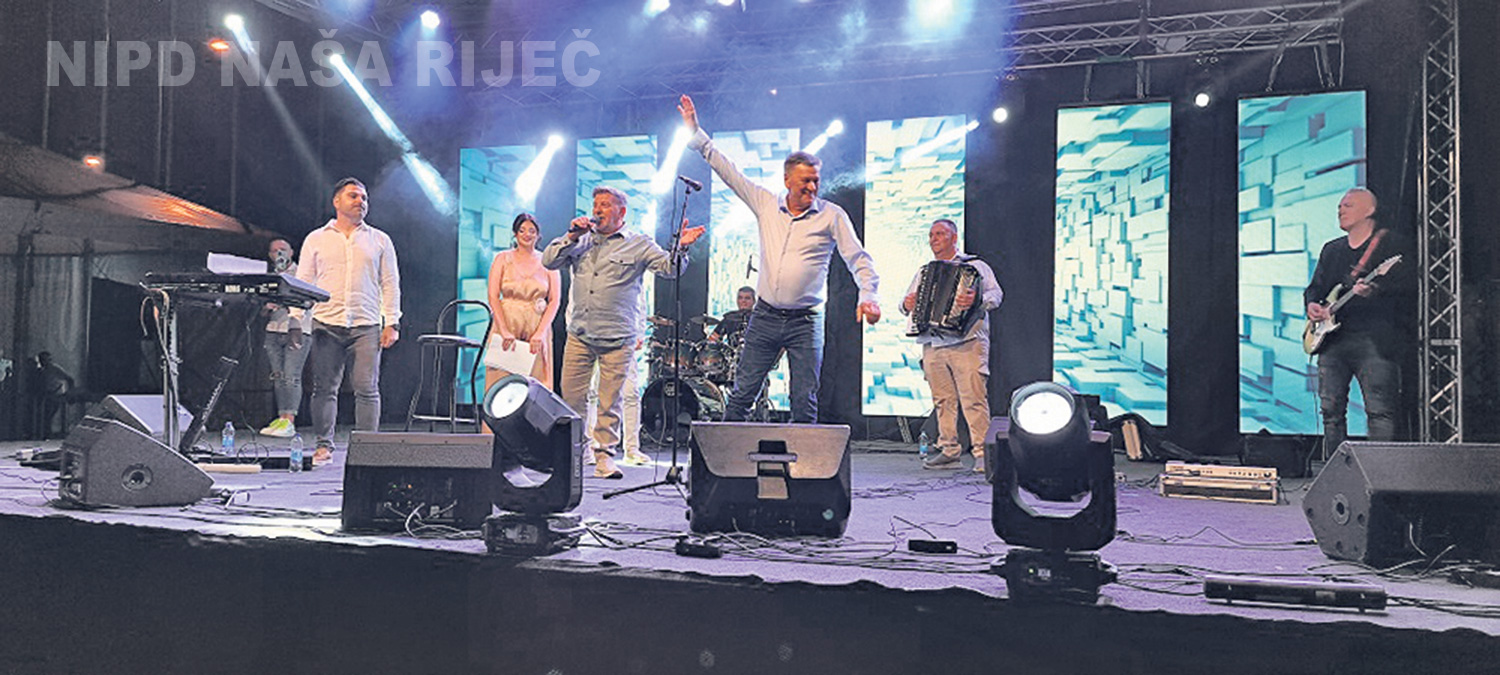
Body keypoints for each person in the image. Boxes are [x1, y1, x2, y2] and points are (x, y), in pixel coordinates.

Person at [678, 94, 881, 424]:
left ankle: (803, 459)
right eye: (805, 181)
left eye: (816, 180)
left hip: (806, 321)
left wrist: (869, 296)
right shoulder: (766, 204)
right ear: (787, 181)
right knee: (743, 393)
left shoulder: (832, 216)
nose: (812, 187)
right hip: (765, 317)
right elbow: (731, 173)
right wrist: (698, 136)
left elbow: (859, 258)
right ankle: (728, 455)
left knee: (804, 398)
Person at [543, 186, 703, 478]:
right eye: (596, 204)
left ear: (621, 212)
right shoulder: (581, 240)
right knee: (572, 399)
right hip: (580, 334)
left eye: (605, 204)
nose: (598, 209)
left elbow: (670, 268)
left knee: (610, 401)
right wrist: (571, 235)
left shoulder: (638, 243)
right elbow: (549, 260)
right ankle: (578, 453)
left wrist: (681, 247)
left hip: (618, 337)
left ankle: (605, 457)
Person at [291, 177, 402, 464]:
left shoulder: (380, 239)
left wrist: (392, 322)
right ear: (337, 201)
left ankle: (367, 449)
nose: (360, 201)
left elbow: (390, 283)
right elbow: (303, 282)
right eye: (353, 196)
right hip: (326, 323)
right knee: (324, 388)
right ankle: (324, 446)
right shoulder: (317, 238)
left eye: (364, 198)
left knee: (366, 387)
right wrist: (295, 319)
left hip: (366, 324)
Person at [1304, 187, 1407, 455]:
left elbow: (1407, 288)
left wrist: (1375, 291)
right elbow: (1315, 288)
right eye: (1339, 205)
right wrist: (1312, 305)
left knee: (1380, 410)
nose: (1340, 210)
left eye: (1348, 205)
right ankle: (1334, 470)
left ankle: (1380, 472)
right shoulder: (1332, 250)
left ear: (1369, 210)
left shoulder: (1390, 244)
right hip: (1333, 342)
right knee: (1330, 411)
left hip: (1374, 341)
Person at [900, 219, 1003, 473]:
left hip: (967, 341)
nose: (933, 239)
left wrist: (976, 299)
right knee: (942, 400)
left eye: (940, 234)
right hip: (933, 343)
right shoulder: (925, 271)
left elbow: (996, 295)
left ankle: (982, 453)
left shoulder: (975, 266)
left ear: (954, 238)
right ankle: (949, 450)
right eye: (931, 235)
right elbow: (905, 304)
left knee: (973, 399)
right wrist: (907, 304)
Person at [486, 213, 562, 391]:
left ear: (538, 234)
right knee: (500, 380)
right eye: (522, 230)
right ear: (515, 233)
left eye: (531, 231)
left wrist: (540, 333)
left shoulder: (547, 261)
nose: (527, 234)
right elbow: (493, 295)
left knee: (535, 382)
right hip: (507, 319)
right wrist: (503, 329)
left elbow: (554, 300)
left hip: (536, 322)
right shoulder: (503, 258)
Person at [259, 239, 312, 438]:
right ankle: (281, 417)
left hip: (296, 328)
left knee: (291, 376)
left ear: (291, 252)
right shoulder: (269, 276)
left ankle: (290, 419)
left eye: (282, 250)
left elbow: (309, 300)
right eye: (274, 251)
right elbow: (261, 308)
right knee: (278, 376)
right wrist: (267, 305)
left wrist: (288, 302)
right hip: (274, 328)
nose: (279, 254)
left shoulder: (302, 273)